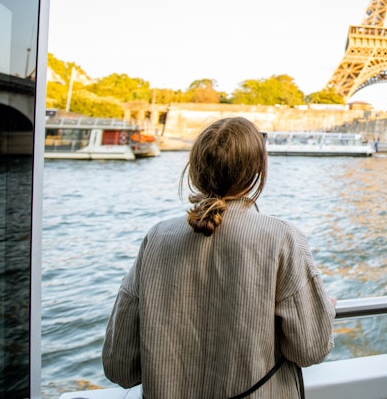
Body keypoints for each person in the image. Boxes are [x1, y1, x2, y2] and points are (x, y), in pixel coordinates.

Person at [102, 116, 335, 399]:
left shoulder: (156, 238)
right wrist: (325, 310)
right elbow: (310, 349)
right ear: (257, 170)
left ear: (195, 168)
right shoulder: (281, 238)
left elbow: (120, 368)